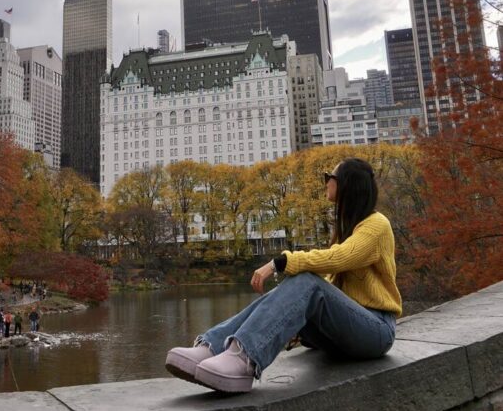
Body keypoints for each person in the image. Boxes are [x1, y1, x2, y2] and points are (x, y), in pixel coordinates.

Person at [165, 158, 402, 394]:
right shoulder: (348, 229)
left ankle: (244, 359)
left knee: (307, 281)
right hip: (347, 333)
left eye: (329, 177)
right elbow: (334, 290)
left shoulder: (377, 225)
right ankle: (214, 346)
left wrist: (282, 261)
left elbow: (339, 257)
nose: (326, 182)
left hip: (377, 331)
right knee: (291, 289)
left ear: (346, 184)